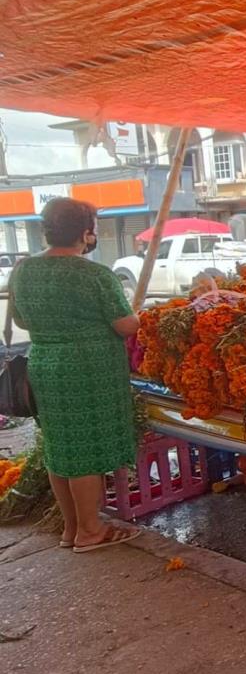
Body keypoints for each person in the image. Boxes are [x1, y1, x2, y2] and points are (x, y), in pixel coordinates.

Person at [10, 198, 142, 553]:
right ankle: (91, 531)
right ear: (86, 233)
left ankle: (72, 528)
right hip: (88, 369)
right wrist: (139, 316)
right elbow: (125, 325)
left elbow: (21, 320)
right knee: (85, 450)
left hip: (45, 366)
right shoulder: (94, 274)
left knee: (59, 448)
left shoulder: (23, 270)